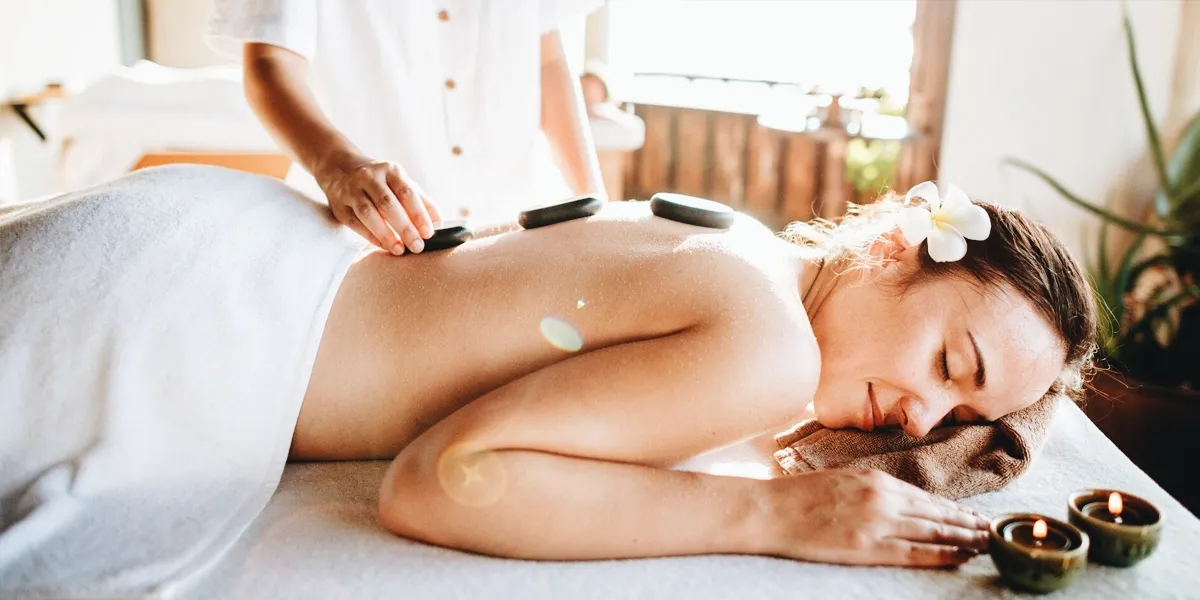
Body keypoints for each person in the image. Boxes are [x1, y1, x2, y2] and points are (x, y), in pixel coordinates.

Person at [0, 167, 1096, 574]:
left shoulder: (739, 240)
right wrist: (778, 516)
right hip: (182, 328)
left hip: (208, 230)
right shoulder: (770, 345)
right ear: (897, 244)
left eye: (961, 414)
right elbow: (438, 483)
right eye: (948, 361)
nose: (922, 420)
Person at [208, 0, 608, 255]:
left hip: (512, 232)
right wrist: (338, 166)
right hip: (363, 242)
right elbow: (271, 63)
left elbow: (548, 60)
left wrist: (595, 200)